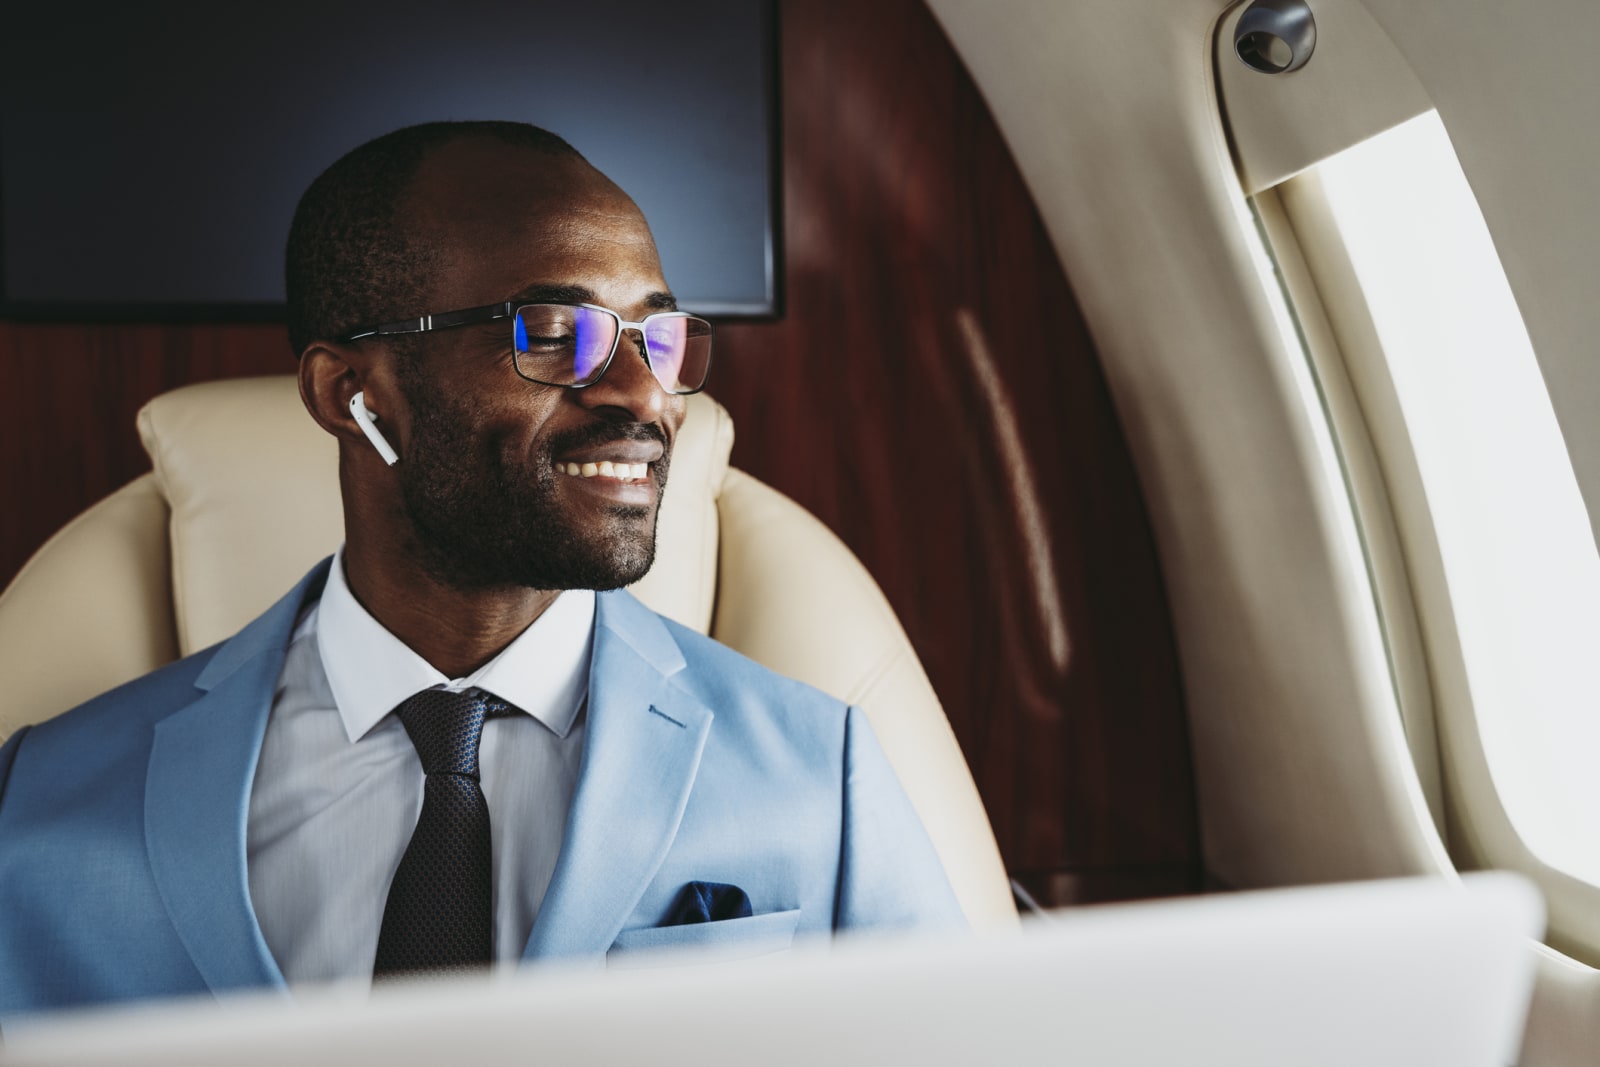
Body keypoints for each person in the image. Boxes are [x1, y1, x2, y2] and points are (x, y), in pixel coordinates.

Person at [0, 121, 962, 1018]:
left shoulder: (821, 774)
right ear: (351, 393)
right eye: (553, 335)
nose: (647, 396)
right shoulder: (41, 803)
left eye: (657, 339)